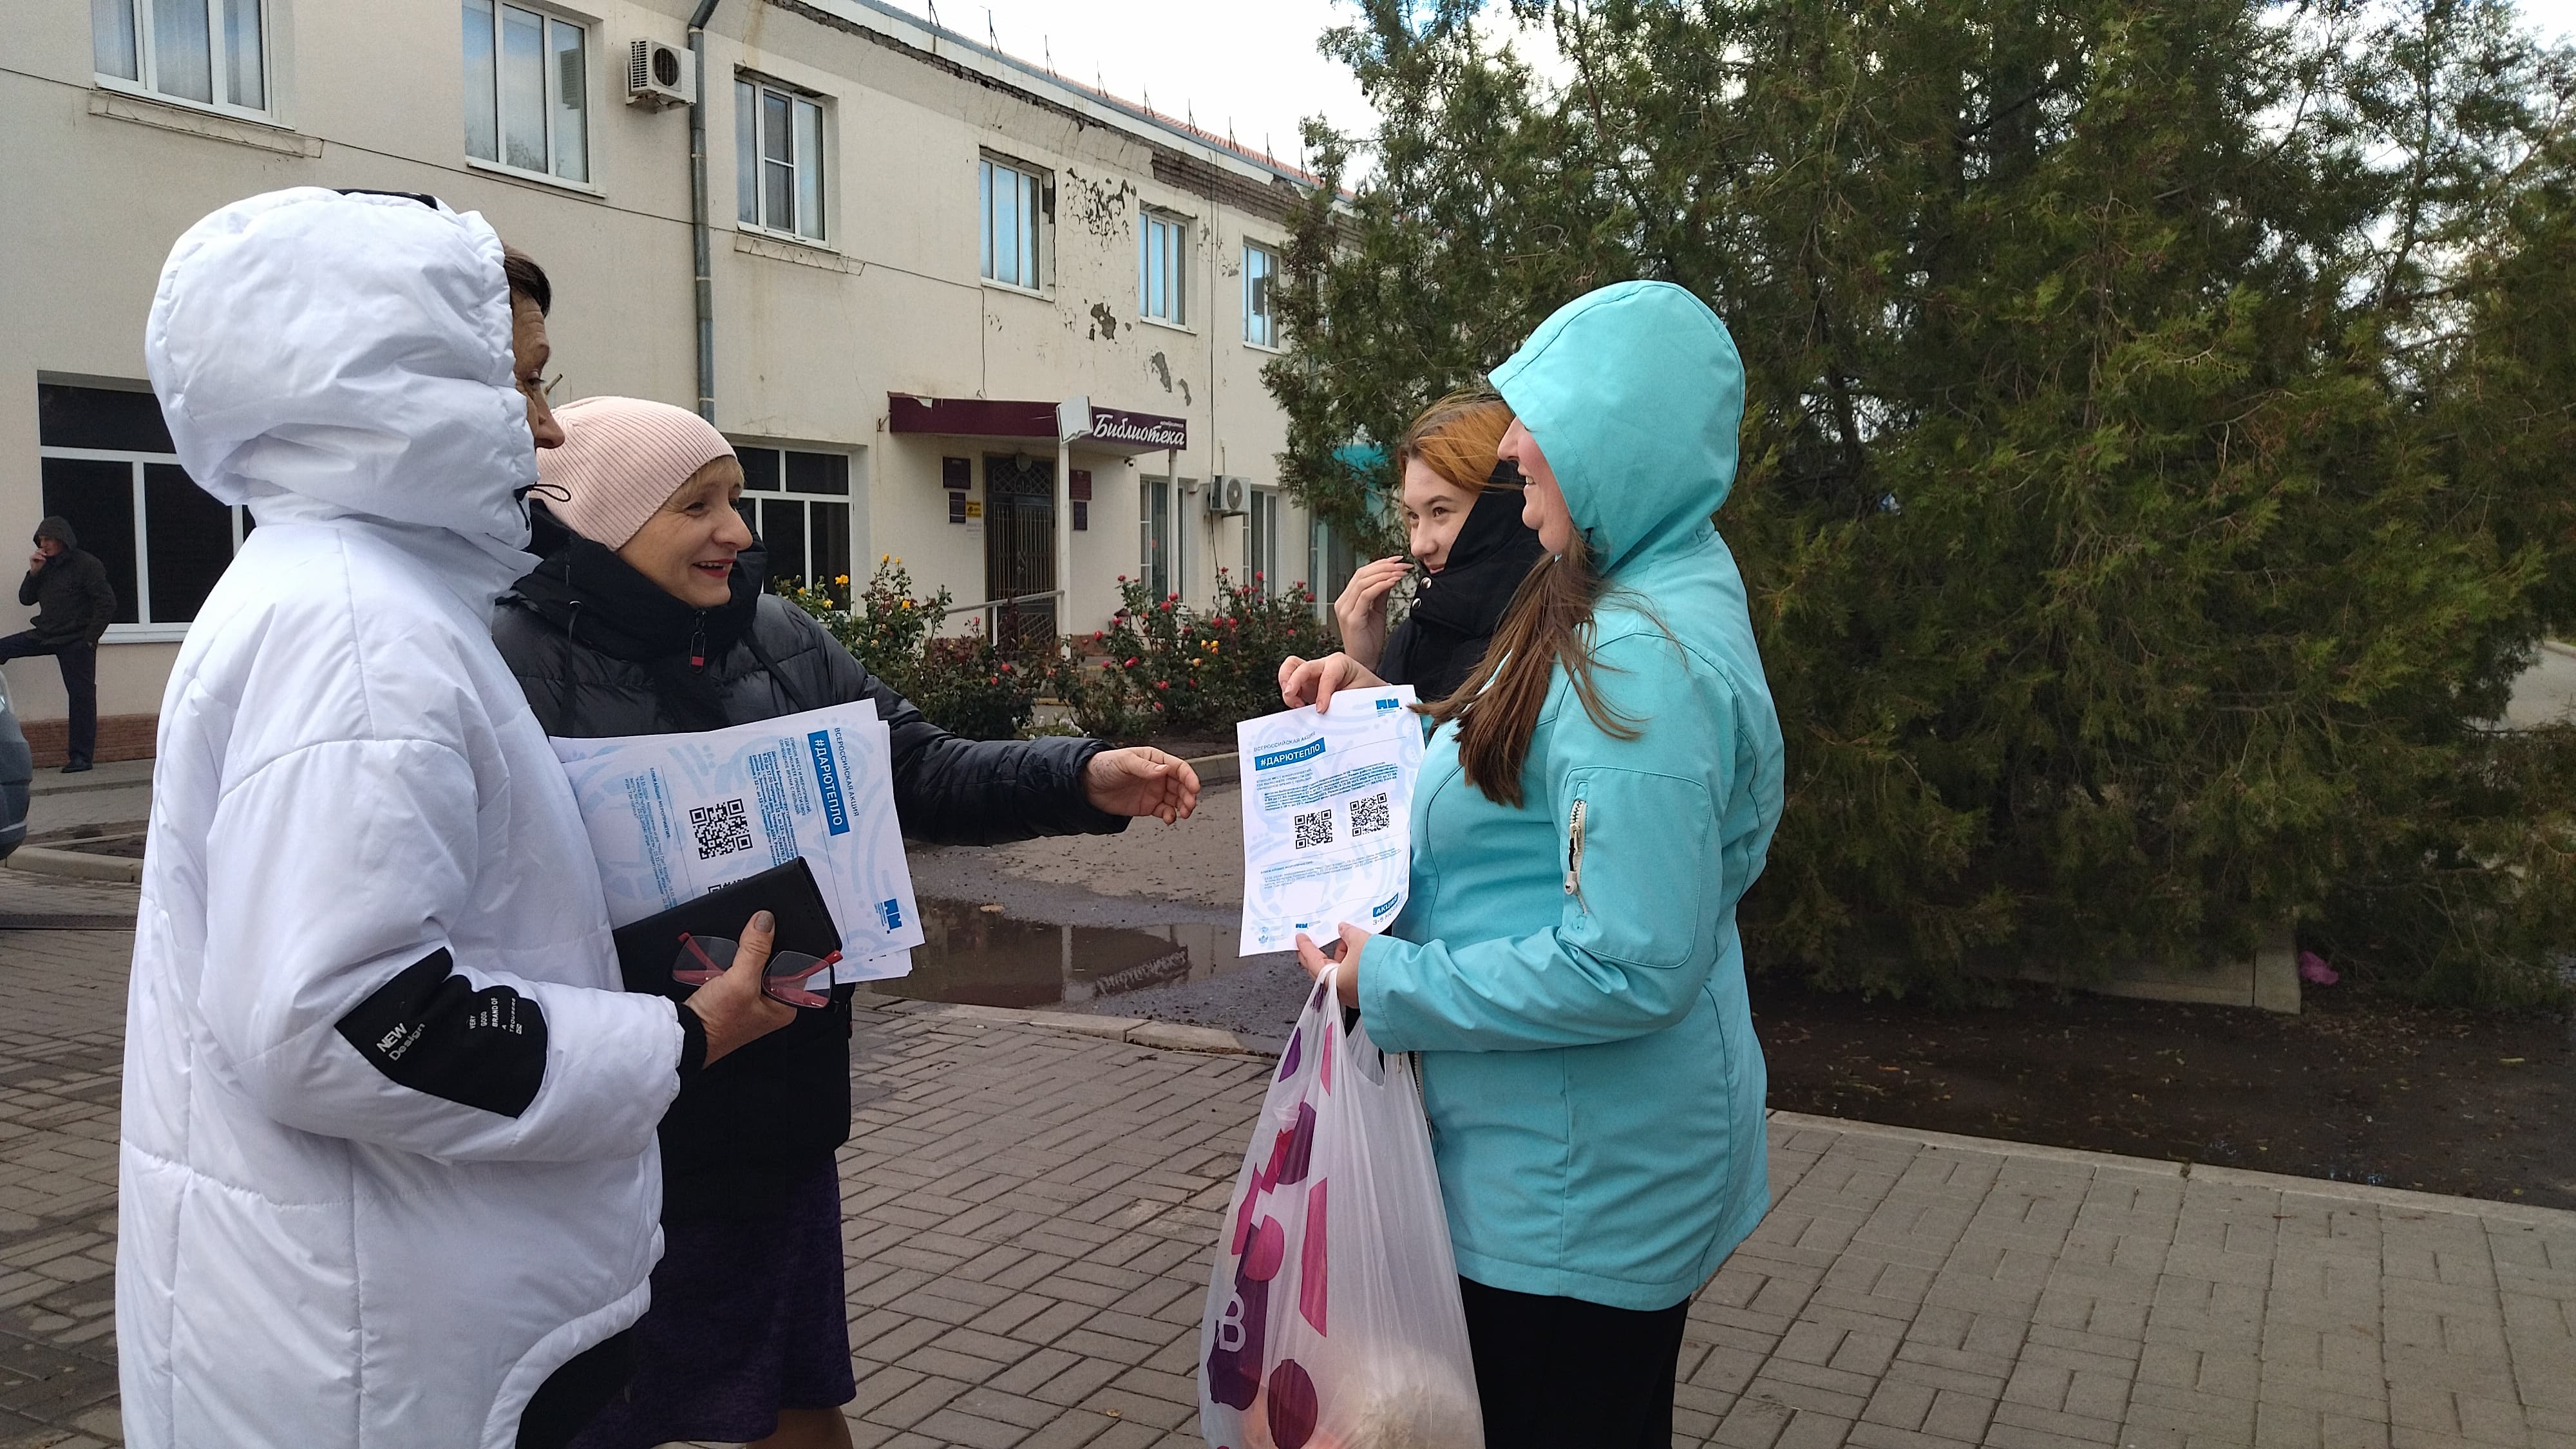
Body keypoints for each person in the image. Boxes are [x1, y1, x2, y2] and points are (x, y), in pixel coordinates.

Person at [120, 189, 797, 1449]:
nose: (546, 431)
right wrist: (677, 1040)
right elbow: (347, 1019)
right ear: (393, 383)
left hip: (396, 1320)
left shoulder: (335, 590)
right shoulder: (357, 629)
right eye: (519, 386)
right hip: (415, 1358)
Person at [489, 395, 1202, 1449]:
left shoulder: (775, 637)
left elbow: (915, 768)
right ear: (597, 521)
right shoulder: (504, 661)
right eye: (699, 505)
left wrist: (1087, 777)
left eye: (734, 498)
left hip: (775, 1110)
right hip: (612, 1135)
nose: (737, 529)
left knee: (794, 1400)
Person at [1277, 281, 1785, 1446]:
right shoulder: (1641, 579)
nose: (1510, 448)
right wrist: (1386, 709)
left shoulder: (1642, 665)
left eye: (1537, 417)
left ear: (1623, 437)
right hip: (1574, 1159)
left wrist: (1382, 985)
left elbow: (1627, 965)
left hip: (1569, 1195)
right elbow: (1534, 768)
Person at [1325, 392, 1545, 703]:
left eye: (1439, 511)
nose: (1418, 546)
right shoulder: (1414, 639)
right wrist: (1363, 666)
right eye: (1413, 516)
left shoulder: (1557, 634)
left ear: (1500, 507)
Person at [4, 516, 118, 772]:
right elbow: (25, 599)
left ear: (62, 539)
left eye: (48, 539)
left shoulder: (87, 565)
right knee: (4, 648)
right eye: (41, 540)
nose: (43, 545)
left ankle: (81, 758)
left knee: (81, 697)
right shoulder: (45, 566)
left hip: (77, 640)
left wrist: (90, 639)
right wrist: (34, 572)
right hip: (46, 634)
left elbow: (107, 604)